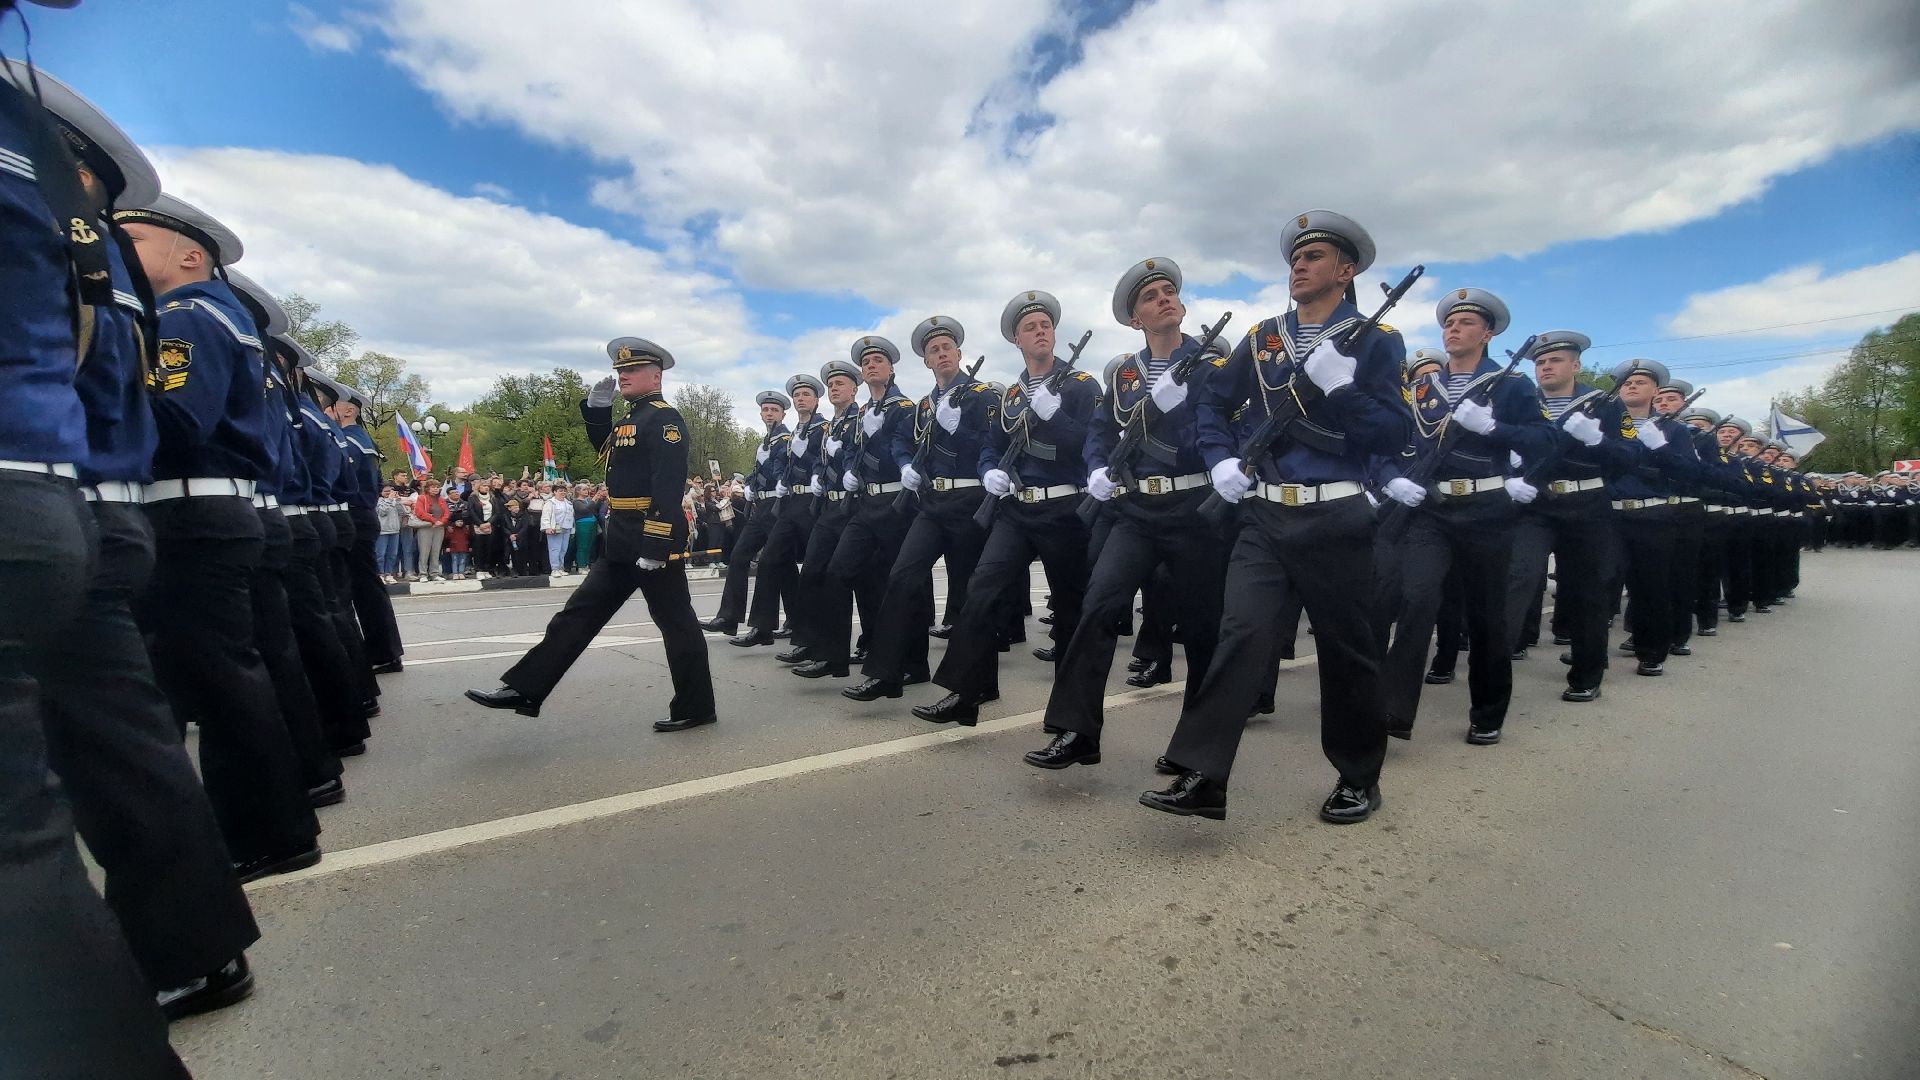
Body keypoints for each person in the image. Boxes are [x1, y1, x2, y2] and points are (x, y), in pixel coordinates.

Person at [9, 56, 267, 1029]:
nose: (136, 241)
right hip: (106, 502)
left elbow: (179, 414)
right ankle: (193, 936)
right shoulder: (113, 264)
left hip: (102, 500)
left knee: (136, 735)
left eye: (150, 233)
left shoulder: (194, 310)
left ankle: (190, 938)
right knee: (131, 737)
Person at [1142, 211, 1411, 821]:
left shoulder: (1376, 340)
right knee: (1240, 637)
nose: (1299, 263)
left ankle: (1358, 776)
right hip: (1263, 517)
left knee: (1349, 651)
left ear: (1345, 272)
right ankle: (1203, 773)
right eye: (1296, 256)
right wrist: (1219, 460)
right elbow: (1213, 400)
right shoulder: (1265, 335)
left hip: (1335, 516)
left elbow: (1395, 432)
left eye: (1314, 256)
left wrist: (1342, 389)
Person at [113, 192, 323, 881]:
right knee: (232, 676)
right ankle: (273, 825)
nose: (120, 253)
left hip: (192, 512)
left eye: (134, 240)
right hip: (217, 511)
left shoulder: (186, 316)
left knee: (222, 685)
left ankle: (265, 832)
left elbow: (175, 419)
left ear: (189, 255)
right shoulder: (220, 320)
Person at [1024, 257, 1229, 769]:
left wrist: (1178, 408)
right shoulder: (1126, 374)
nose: (1163, 298)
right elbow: (1099, 432)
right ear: (1136, 319)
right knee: (1096, 609)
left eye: (1168, 291)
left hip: (1194, 507)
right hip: (1136, 510)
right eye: (1150, 296)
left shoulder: (1211, 371)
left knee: (1204, 629)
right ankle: (1076, 732)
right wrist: (1097, 467)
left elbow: (1219, 437)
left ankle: (1195, 753)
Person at [467, 337, 716, 730]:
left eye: (631, 370)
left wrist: (654, 544)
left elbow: (667, 486)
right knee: (578, 614)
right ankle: (526, 687)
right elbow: (609, 451)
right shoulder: (632, 417)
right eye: (620, 371)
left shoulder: (666, 418)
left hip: (651, 539)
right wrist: (598, 413)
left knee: (677, 624)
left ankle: (696, 706)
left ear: (656, 375)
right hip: (620, 537)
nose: (623, 376)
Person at [1376, 287, 1552, 746]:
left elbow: (1543, 442)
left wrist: (1495, 428)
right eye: (1449, 323)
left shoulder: (1512, 385)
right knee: (1415, 601)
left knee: (1487, 617)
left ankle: (1488, 711)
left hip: (1488, 511)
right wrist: (1394, 478)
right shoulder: (1422, 388)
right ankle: (1392, 711)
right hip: (1431, 511)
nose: (1454, 329)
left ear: (1487, 333)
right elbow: (1395, 442)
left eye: (1466, 323)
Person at [915, 289, 1099, 725]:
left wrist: (1057, 416)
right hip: (1016, 511)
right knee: (980, 593)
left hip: (1065, 510)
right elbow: (989, 446)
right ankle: (967, 692)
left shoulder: (1080, 385)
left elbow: (1092, 446)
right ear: (1017, 340)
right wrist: (989, 471)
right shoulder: (1010, 396)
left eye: (1045, 325)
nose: (1040, 332)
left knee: (1072, 611)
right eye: (1030, 328)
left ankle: (1070, 718)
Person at [842, 316, 998, 701]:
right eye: (934, 350)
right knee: (902, 576)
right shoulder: (925, 405)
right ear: (926, 362)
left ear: (959, 354)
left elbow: (992, 443)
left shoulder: (981, 395)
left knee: (968, 595)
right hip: (931, 504)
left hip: (969, 500)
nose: (941, 353)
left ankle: (975, 685)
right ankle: (886, 673)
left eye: (947, 348)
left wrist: (958, 427)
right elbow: (904, 443)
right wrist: (908, 465)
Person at [1499, 331, 1626, 703]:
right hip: (1534, 505)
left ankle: (1587, 672)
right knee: (1517, 576)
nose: (1545, 367)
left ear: (1576, 365)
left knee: (1586, 591)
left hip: (1587, 506)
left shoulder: (1604, 406)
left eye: (1554, 361)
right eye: (1540, 362)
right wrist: (1509, 477)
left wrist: (1596, 441)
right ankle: (1493, 664)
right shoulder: (1523, 402)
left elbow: (1629, 458)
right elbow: (1495, 448)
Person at [737, 372, 827, 648]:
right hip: (789, 503)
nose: (801, 398)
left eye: (806, 395)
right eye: (797, 395)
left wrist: (810, 463)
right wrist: (769, 481)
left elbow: (825, 460)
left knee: (814, 568)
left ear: (815, 400)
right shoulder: (795, 434)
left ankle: (812, 633)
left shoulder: (823, 429)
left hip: (813, 503)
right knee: (769, 560)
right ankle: (762, 627)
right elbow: (782, 467)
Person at [701, 390, 791, 634]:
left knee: (780, 564)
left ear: (783, 414)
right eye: (766, 409)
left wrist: (759, 478)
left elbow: (777, 471)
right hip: (760, 508)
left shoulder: (785, 441)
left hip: (777, 507)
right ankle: (729, 617)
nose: (769, 413)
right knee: (739, 557)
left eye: (774, 410)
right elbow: (759, 471)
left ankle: (793, 620)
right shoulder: (765, 442)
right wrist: (751, 484)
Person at [409, 477, 450, 581]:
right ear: (427, 488)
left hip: (439, 528)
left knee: (436, 551)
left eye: (437, 487)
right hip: (426, 527)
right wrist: (433, 520)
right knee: (424, 551)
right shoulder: (422, 498)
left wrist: (442, 521)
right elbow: (420, 512)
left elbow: (447, 512)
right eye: (433, 487)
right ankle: (423, 574)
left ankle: (434, 573)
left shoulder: (441, 499)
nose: (435, 489)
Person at [540, 478, 574, 576]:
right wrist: (547, 527)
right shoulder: (550, 503)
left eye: (564, 491)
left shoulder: (568, 503)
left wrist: (572, 529)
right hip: (555, 528)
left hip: (566, 528)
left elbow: (571, 517)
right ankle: (554, 568)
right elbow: (546, 516)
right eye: (560, 491)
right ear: (554, 492)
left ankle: (560, 567)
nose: (563, 492)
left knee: (563, 549)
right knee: (555, 549)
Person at [376, 484, 404, 581]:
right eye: (386, 491)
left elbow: (402, 513)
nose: (389, 493)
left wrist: (399, 501)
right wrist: (389, 500)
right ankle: (380, 573)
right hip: (382, 531)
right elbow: (382, 512)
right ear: (381, 492)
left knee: (392, 554)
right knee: (380, 554)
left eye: (390, 491)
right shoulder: (379, 501)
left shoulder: (395, 501)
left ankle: (389, 573)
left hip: (395, 531)